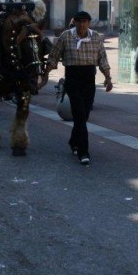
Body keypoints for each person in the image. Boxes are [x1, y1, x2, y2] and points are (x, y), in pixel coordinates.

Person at [47, 10, 112, 165]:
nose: (82, 24)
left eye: (85, 21)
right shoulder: (65, 36)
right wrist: (44, 74)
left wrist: (108, 78)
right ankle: (83, 152)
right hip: (73, 79)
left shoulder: (96, 37)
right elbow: (53, 57)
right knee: (79, 115)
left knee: (84, 116)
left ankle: (73, 141)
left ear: (89, 23)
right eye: (79, 21)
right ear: (74, 22)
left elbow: (102, 59)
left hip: (89, 79)